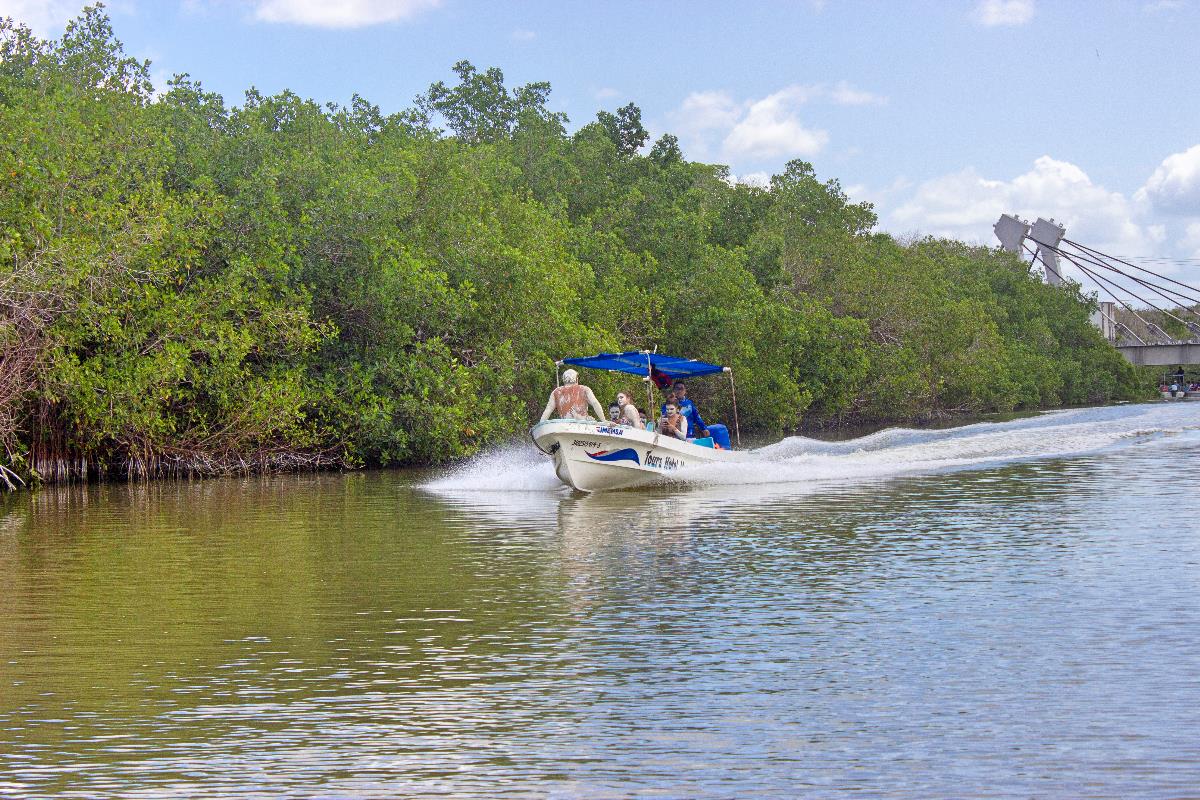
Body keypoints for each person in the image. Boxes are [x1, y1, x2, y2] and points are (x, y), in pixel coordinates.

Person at [539, 368, 607, 423]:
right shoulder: (584, 389)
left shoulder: (556, 392)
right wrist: (604, 420)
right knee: (591, 419)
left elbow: (548, 409)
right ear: (577, 379)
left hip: (565, 425)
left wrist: (541, 424)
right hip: (582, 424)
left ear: (563, 379)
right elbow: (595, 403)